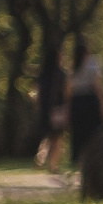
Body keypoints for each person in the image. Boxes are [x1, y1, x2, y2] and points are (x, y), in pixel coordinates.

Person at [65, 38, 103, 165]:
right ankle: (94, 156)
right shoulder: (93, 63)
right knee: (93, 131)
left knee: (78, 132)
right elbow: (97, 85)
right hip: (90, 100)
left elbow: (68, 89)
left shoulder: (72, 66)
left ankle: (77, 158)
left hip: (76, 101)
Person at [33, 44, 68, 172]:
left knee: (46, 136)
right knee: (57, 138)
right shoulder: (61, 73)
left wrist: (37, 106)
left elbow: (35, 92)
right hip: (58, 108)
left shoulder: (42, 73)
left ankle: (40, 157)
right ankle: (53, 165)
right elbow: (66, 92)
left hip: (44, 108)